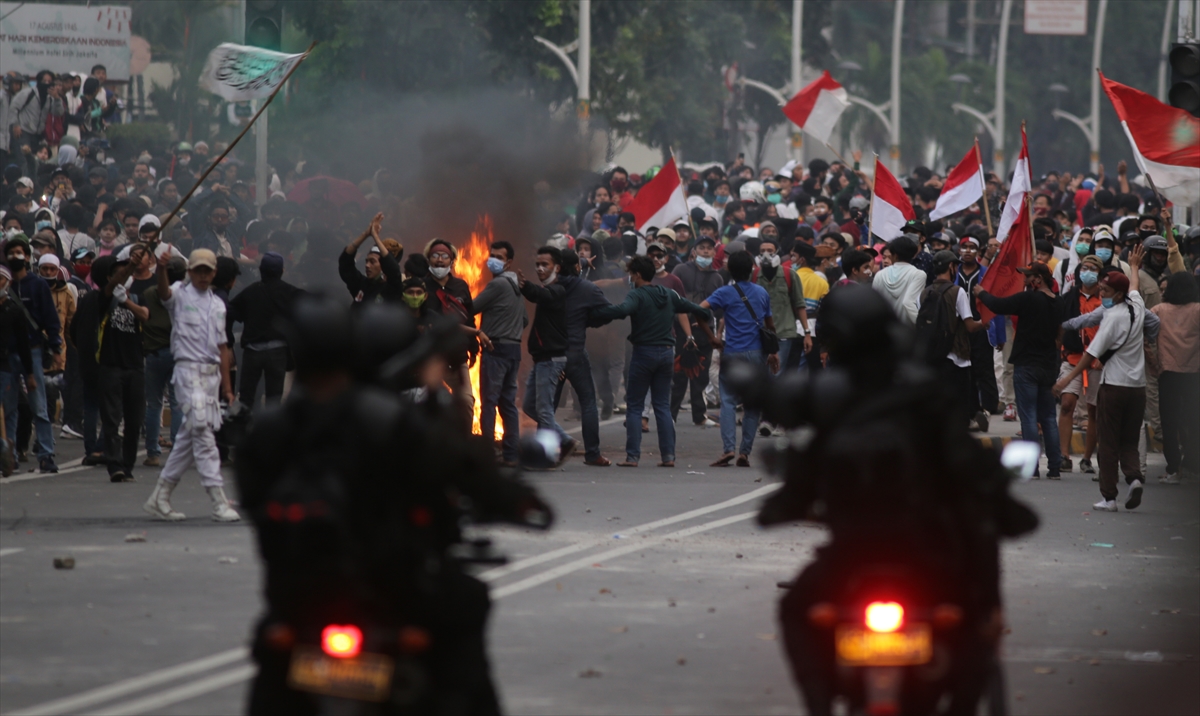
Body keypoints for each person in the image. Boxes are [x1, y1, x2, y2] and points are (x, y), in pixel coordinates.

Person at [142, 248, 239, 522]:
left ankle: (159, 497)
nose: (203, 275)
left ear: (214, 273)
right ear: (190, 271)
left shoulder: (219, 305)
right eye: (198, 270)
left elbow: (223, 348)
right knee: (204, 437)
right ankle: (218, 501)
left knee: (188, 436)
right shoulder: (179, 293)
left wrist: (228, 389)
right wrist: (161, 269)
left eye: (207, 270)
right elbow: (163, 294)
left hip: (211, 378)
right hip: (187, 372)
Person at [591, 255, 714, 468]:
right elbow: (695, 308)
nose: (630, 278)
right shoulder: (668, 294)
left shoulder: (637, 295)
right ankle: (668, 456)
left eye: (631, 274)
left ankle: (632, 457)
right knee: (662, 406)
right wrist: (704, 319)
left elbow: (621, 311)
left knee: (635, 406)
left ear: (637, 275)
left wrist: (596, 312)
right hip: (667, 353)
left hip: (643, 353)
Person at [1054, 249, 1148, 511]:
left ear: (1118, 294)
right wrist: (1134, 267)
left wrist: (1066, 379)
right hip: (1137, 388)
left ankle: (1109, 497)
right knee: (1129, 441)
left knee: (1108, 443)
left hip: (1114, 387)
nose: (1101, 294)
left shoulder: (1111, 317)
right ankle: (1134, 479)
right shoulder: (1137, 307)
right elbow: (1136, 286)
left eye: (1106, 291)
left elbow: (1090, 355)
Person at [974, 262, 1062, 478]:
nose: (1024, 280)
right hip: (1049, 366)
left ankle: (1032, 467)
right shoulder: (1058, 303)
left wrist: (982, 292)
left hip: (1027, 366)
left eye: (1027, 276)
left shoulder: (1028, 299)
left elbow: (998, 305)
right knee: (1049, 418)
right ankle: (1055, 467)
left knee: (1029, 417)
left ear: (1038, 279)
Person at [701, 251, 779, 467]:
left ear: (729, 269)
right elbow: (770, 325)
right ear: (753, 268)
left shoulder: (724, 292)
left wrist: (711, 337)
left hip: (733, 352)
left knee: (727, 401)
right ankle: (744, 452)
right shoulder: (761, 292)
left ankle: (728, 449)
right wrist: (773, 352)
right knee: (752, 404)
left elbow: (699, 309)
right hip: (756, 353)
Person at [5, 235, 61, 473]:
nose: (15, 256)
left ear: (28, 257)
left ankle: (46, 454)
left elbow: (50, 317)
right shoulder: (4, 286)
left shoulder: (37, 285)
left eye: (20, 252)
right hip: (7, 356)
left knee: (39, 407)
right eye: (11, 253)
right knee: (8, 408)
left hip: (34, 352)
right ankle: (10, 454)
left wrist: (56, 346)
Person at [471, 240, 525, 466]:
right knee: (508, 403)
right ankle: (511, 454)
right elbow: (525, 319)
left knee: (490, 402)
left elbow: (471, 309)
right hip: (514, 349)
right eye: (491, 255)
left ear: (509, 262)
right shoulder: (516, 287)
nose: (493, 260)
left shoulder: (498, 285)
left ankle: (488, 454)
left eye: (499, 257)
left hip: (496, 349)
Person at [97, 247, 149, 482]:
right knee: (112, 419)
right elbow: (113, 285)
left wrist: (126, 301)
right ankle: (115, 464)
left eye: (126, 274)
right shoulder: (105, 297)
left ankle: (127, 464)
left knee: (134, 420)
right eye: (118, 274)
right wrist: (129, 265)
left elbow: (145, 315)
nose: (122, 278)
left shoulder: (137, 297)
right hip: (111, 366)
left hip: (135, 366)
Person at [555, 249, 612, 466]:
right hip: (576, 352)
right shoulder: (586, 288)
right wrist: (588, 321)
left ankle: (547, 452)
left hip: (553, 354)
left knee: (546, 408)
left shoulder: (550, 287)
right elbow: (607, 311)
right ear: (577, 267)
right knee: (588, 402)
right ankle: (593, 454)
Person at [517, 246, 573, 462]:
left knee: (543, 408)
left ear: (557, 267)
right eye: (537, 264)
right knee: (531, 406)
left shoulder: (557, 291)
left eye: (545, 265)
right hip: (541, 360)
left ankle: (551, 451)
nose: (540, 268)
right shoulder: (547, 290)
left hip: (551, 360)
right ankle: (564, 440)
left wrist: (525, 286)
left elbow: (540, 294)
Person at [229, 252, 302, 407]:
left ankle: (244, 428)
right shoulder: (290, 292)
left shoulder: (250, 292)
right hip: (278, 353)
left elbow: (230, 310)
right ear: (282, 271)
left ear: (261, 270)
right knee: (274, 399)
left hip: (252, 352)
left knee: (247, 397)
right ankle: (270, 430)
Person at [921, 250, 985, 425]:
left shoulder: (925, 292)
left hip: (933, 356)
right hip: (957, 358)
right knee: (959, 407)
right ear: (951, 266)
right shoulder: (958, 292)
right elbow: (970, 326)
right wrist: (984, 323)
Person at [1150, 272, 1199, 483]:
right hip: (1194, 374)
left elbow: (1142, 333)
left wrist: (1153, 362)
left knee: (1169, 421)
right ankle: (1191, 465)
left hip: (1167, 373)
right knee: (1194, 420)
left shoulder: (1158, 311)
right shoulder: (1197, 310)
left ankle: (1172, 468)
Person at [671, 234, 724, 424]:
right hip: (681, 329)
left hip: (705, 331)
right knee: (679, 374)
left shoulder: (717, 277)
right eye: (702, 248)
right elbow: (674, 298)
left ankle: (699, 415)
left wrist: (713, 330)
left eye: (710, 248)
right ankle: (670, 415)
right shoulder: (681, 270)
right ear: (694, 252)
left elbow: (718, 308)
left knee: (701, 375)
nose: (706, 251)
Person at [141, 256, 185, 467]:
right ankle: (177, 451)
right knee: (177, 404)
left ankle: (152, 453)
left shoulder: (149, 294)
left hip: (154, 354)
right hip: (178, 354)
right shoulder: (186, 296)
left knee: (154, 404)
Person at [0, 265, 34, 472]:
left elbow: (23, 344)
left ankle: (8, 455)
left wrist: (30, 373)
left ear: (8, 283)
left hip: (5, 366)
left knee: (9, 410)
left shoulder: (14, 310)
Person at [338, 213, 400, 309]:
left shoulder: (392, 288)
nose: (367, 265)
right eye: (367, 261)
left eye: (372, 261)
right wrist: (366, 234)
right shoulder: (360, 284)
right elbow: (345, 263)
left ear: (384, 265)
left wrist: (376, 237)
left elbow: (394, 270)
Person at [872, 236, 925, 325]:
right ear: (913, 254)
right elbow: (908, 303)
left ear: (894, 255)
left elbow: (873, 303)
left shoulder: (880, 274)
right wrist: (921, 325)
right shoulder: (918, 274)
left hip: (885, 329)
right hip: (907, 331)